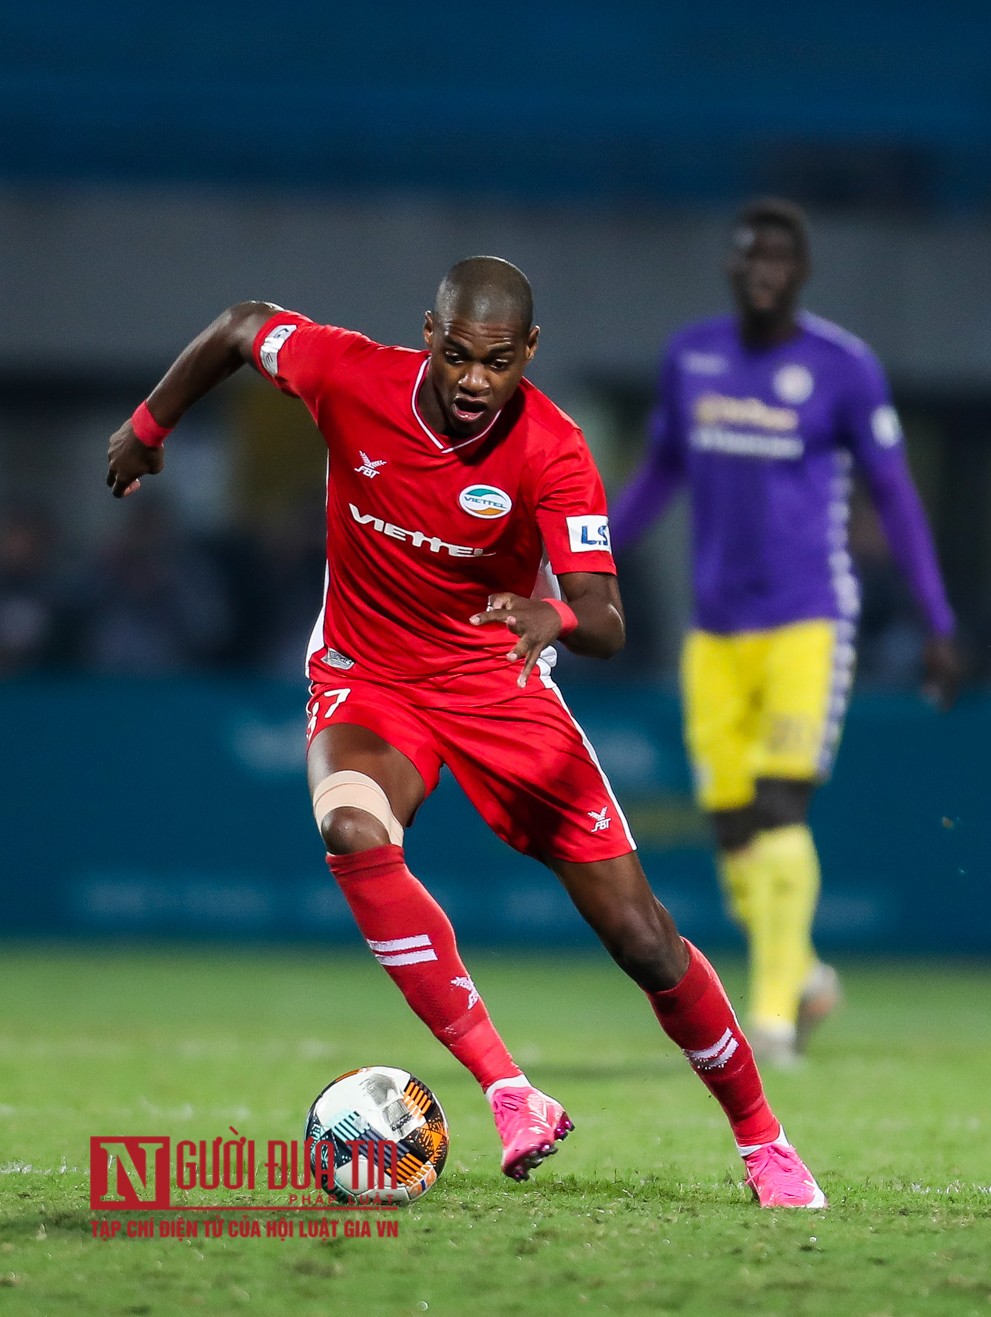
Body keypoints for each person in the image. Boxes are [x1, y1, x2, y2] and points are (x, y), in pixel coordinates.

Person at [104, 257, 825, 1208]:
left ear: (528, 351)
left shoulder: (554, 448)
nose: (474, 380)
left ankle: (764, 1140)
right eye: (455, 356)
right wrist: (150, 426)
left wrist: (554, 618)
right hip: (370, 681)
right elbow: (243, 323)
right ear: (429, 336)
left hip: (500, 691)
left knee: (644, 938)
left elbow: (607, 619)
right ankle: (509, 1087)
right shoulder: (351, 377)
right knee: (352, 825)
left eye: (496, 361)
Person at [610, 198, 959, 1064]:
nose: (763, 271)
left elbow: (896, 497)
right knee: (730, 828)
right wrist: (584, 564)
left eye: (779, 258)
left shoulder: (843, 368)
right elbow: (657, 475)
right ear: (732, 269)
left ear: (800, 272)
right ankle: (801, 972)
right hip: (715, 629)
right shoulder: (692, 358)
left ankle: (769, 1021)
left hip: (809, 620)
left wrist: (937, 619)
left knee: (779, 807)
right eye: (748, 257)